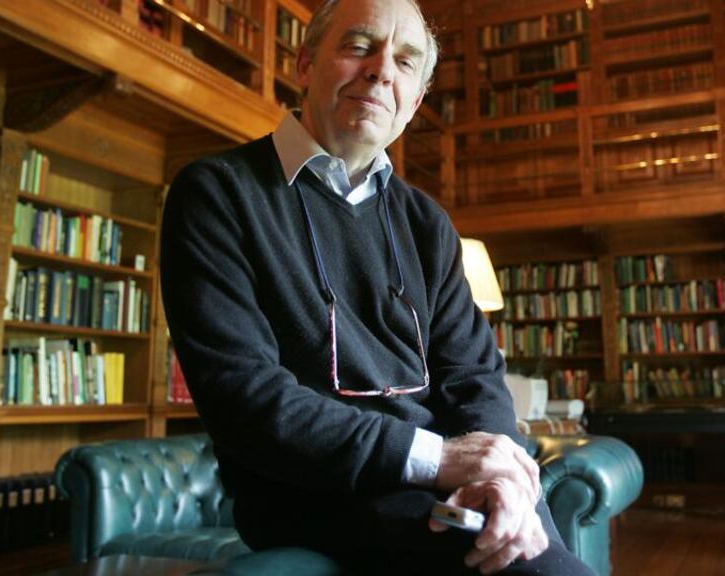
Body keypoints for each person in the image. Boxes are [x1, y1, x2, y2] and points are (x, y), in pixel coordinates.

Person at [160, 0, 595, 573]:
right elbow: (246, 398)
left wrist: (494, 467)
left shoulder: (427, 223)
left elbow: (474, 376)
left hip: (444, 482)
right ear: (305, 64)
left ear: (413, 101)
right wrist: (437, 458)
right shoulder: (217, 194)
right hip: (315, 494)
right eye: (359, 46)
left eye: (406, 62)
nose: (382, 70)